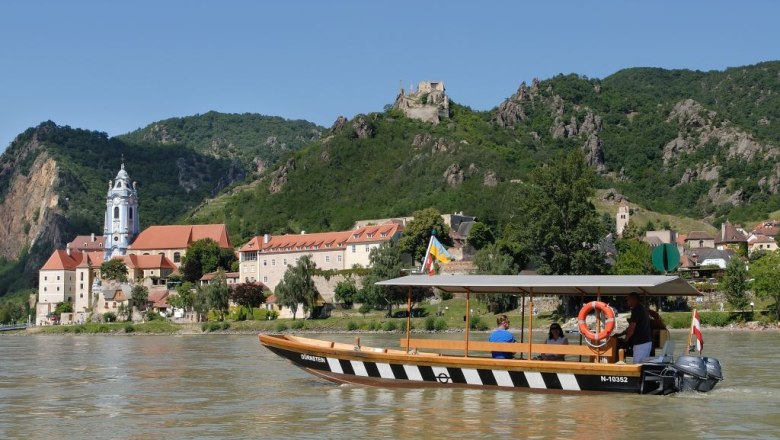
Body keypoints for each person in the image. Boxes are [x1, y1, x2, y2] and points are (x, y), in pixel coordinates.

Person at [615, 292, 652, 363]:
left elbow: (632, 327)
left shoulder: (636, 310)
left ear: (634, 300)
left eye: (628, 299)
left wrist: (626, 339)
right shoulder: (642, 309)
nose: (627, 301)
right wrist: (624, 332)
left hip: (640, 343)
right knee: (643, 364)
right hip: (647, 342)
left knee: (637, 364)